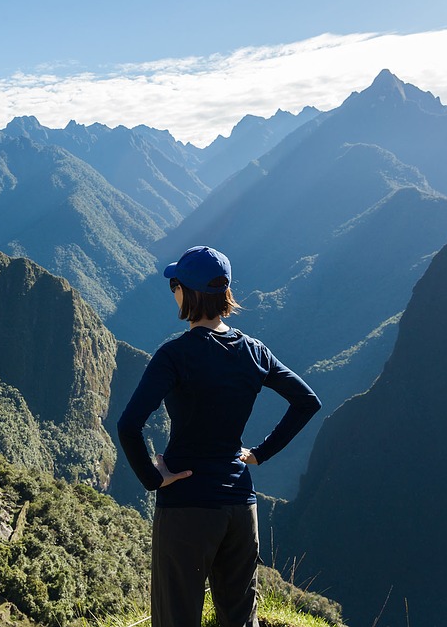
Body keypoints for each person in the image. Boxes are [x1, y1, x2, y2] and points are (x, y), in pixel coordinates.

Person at [117, 245, 321, 627]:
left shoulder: (174, 356)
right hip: (241, 506)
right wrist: (260, 454)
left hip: (186, 506)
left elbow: (129, 425)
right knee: (241, 619)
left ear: (187, 292)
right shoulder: (255, 352)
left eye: (174, 284)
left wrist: (153, 478)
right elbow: (307, 401)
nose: (172, 290)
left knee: (176, 617)